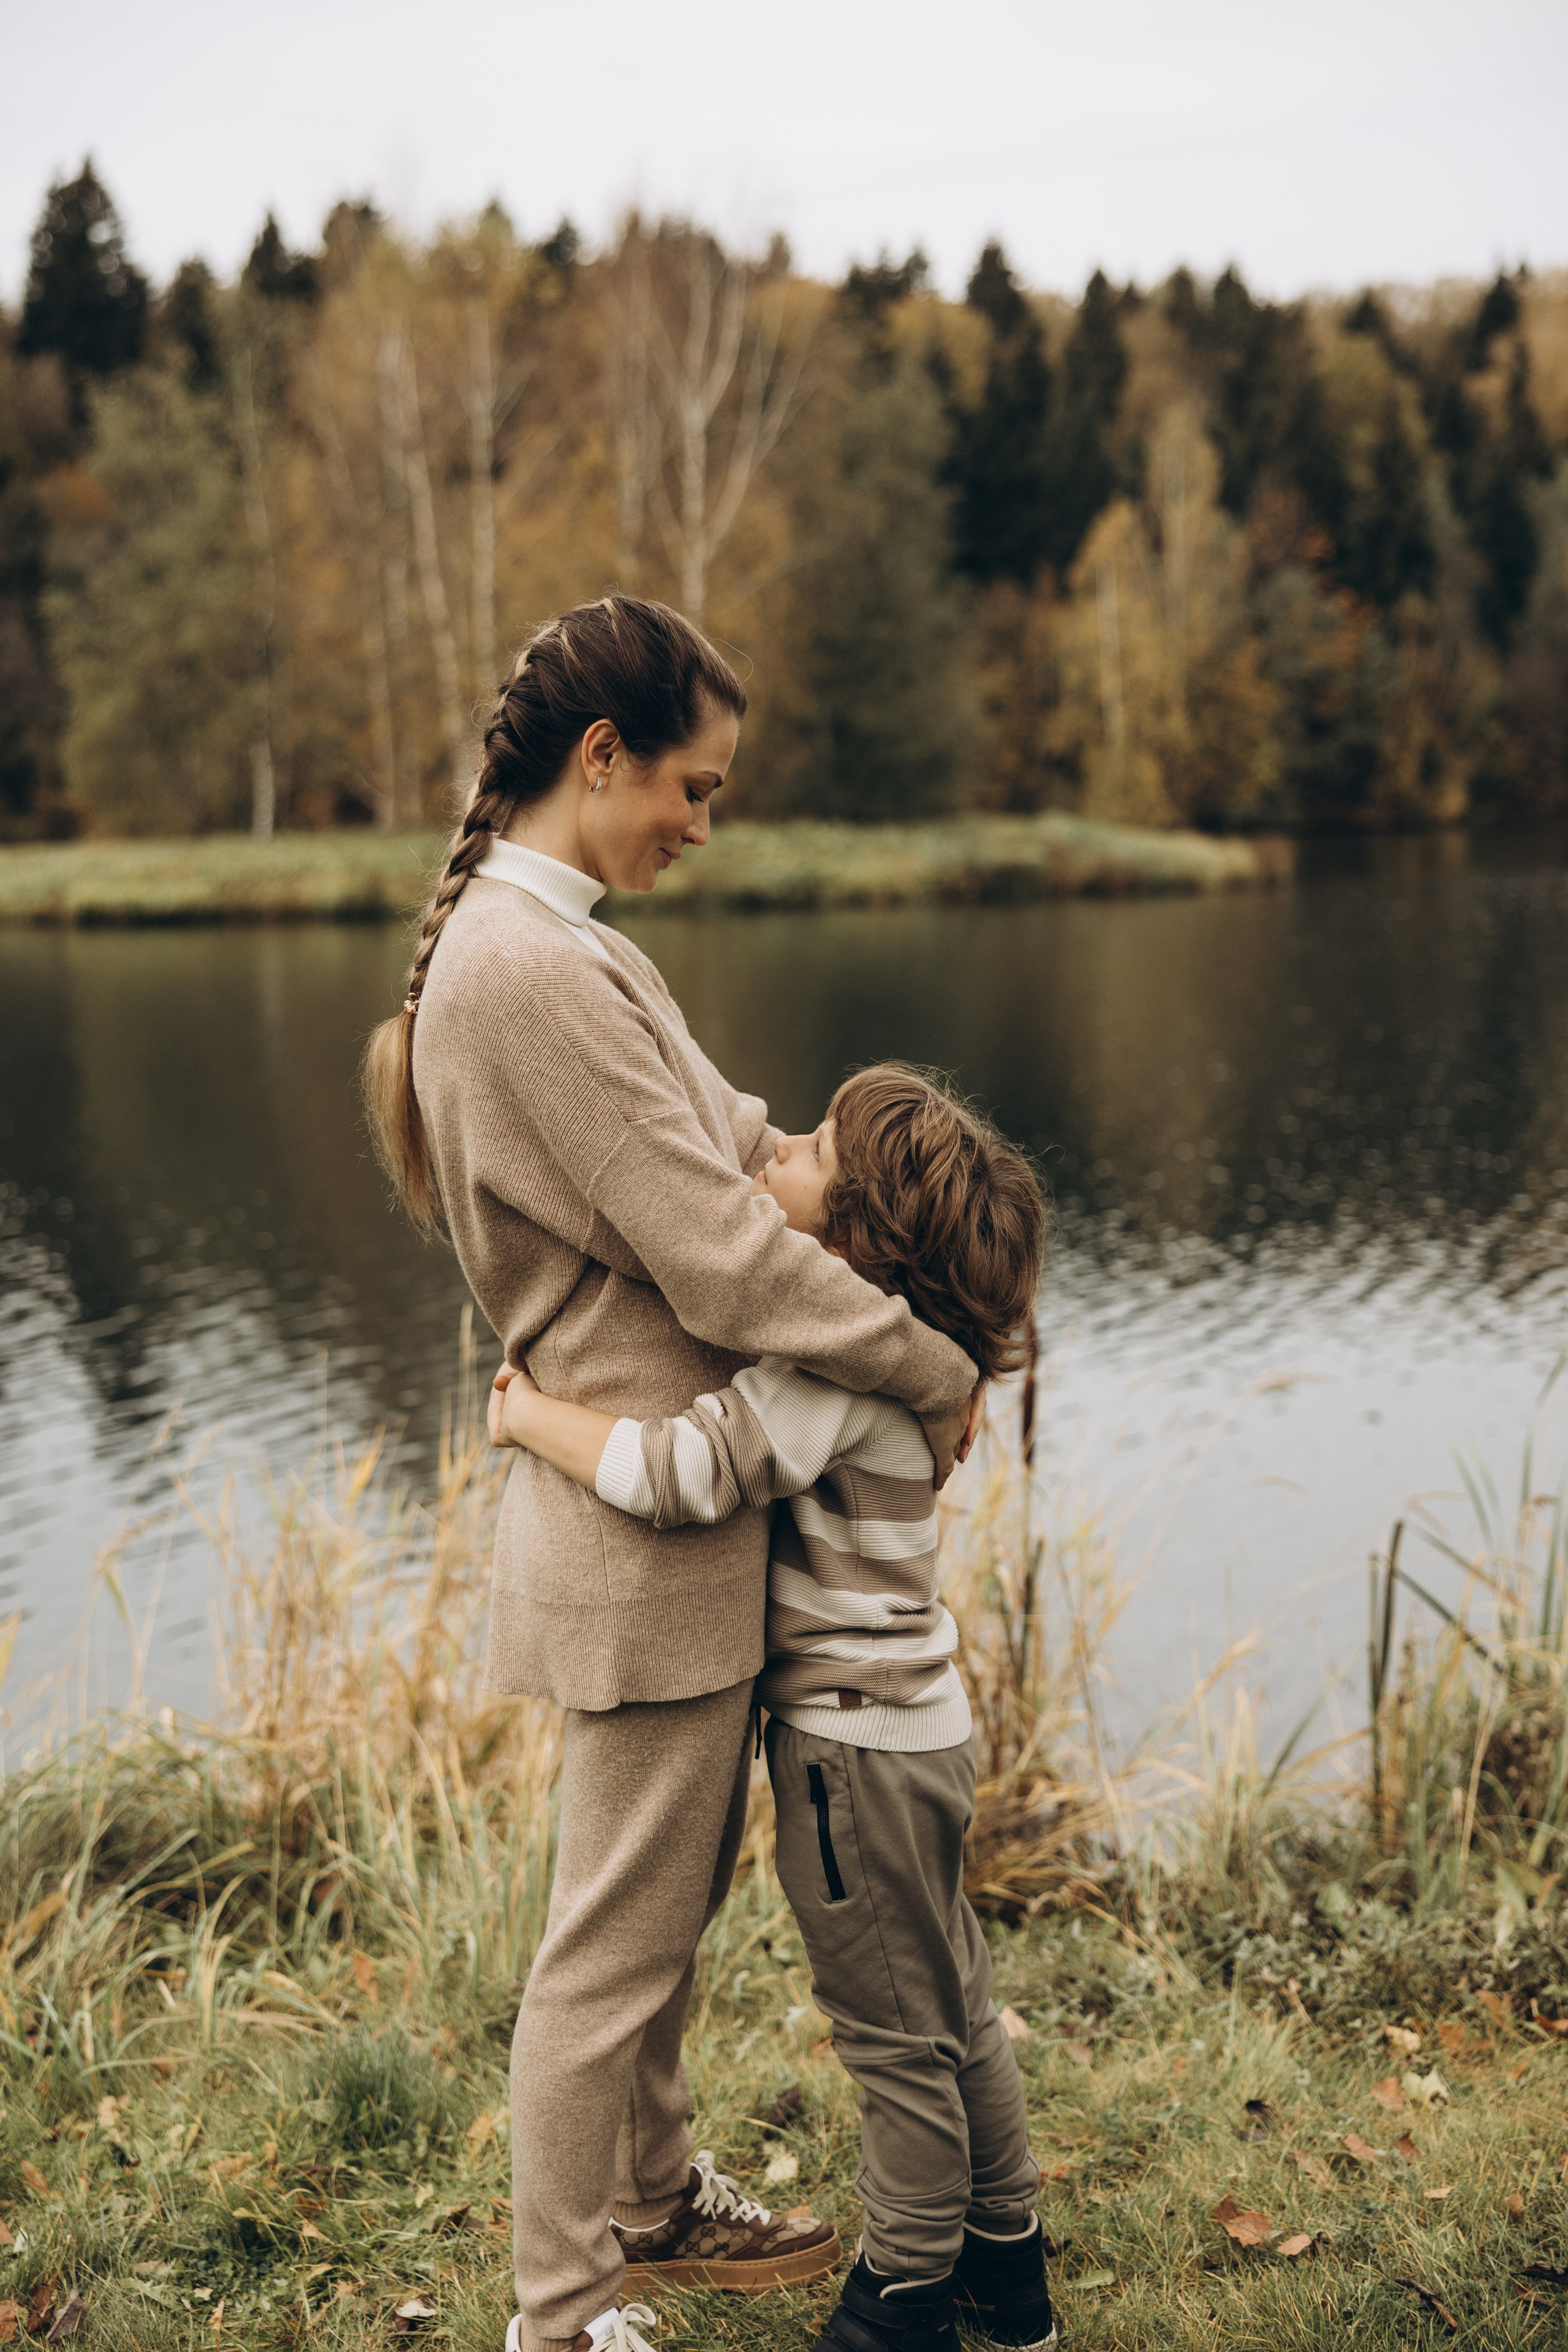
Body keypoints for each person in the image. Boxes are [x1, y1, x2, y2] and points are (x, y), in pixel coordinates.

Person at [361, 598, 981, 2352]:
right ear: (601, 755)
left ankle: (648, 2198)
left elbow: (731, 1146)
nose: (703, 822)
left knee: (657, 1920)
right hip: (644, 1547)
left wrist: (841, 1199)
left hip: (680, 1544)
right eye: (690, 786)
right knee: (606, 1960)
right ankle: (560, 2318)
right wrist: (925, 1359)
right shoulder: (530, 972)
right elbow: (719, 1259)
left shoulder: (574, 945)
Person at [489, 1063, 1057, 2352]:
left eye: (805, 1151)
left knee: (890, 2031)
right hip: (922, 1733)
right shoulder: (919, 1368)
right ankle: (1003, 2262)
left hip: (844, 1758)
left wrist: (534, 1418)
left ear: (856, 1240)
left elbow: (678, 1472)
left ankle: (903, 2294)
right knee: (952, 1997)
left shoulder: (830, 1382)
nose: (774, 1149)